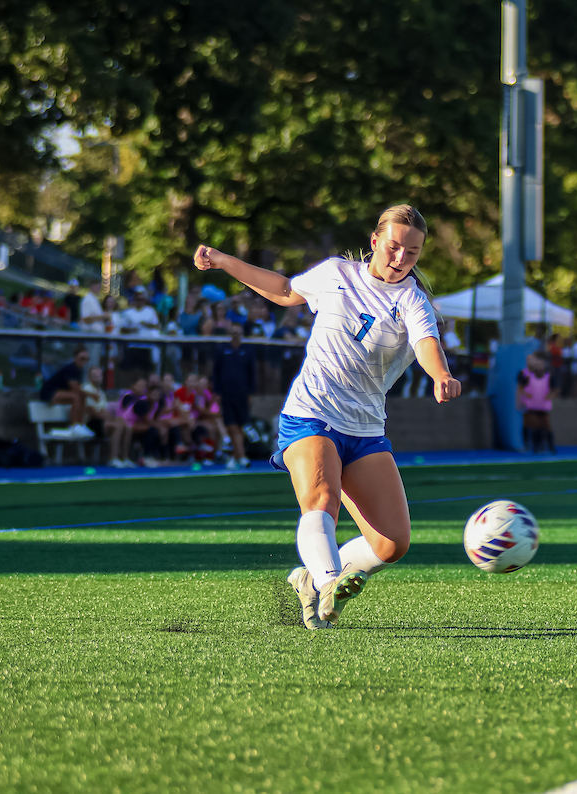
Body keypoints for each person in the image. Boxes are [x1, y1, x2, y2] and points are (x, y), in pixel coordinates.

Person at [193, 204, 461, 629]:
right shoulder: (337, 273)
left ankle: (312, 581)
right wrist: (224, 261)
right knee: (321, 500)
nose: (400, 259)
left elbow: (426, 342)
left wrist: (441, 374)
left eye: (412, 253)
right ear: (375, 241)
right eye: (393, 247)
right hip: (311, 413)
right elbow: (283, 291)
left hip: (366, 428)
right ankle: (329, 580)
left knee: (392, 544)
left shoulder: (413, 300)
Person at [211, 323, 256, 469]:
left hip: (242, 394)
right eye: (233, 331)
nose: (236, 334)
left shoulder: (247, 351)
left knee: (242, 424)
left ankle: (238, 456)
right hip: (226, 394)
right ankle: (239, 456)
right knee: (231, 425)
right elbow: (216, 372)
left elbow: (252, 374)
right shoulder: (223, 350)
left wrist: (251, 393)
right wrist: (217, 392)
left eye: (238, 331)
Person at [38, 347, 95, 438]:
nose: (84, 361)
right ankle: (74, 425)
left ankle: (80, 425)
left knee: (81, 397)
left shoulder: (79, 371)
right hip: (49, 393)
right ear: (75, 358)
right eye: (82, 358)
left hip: (58, 393)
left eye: (87, 359)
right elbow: (75, 389)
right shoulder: (71, 369)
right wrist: (92, 394)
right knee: (76, 397)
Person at [517, 351, 557, 454]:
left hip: (542, 405)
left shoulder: (545, 375)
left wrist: (549, 396)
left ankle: (547, 446)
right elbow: (520, 388)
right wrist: (521, 399)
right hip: (530, 405)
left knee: (544, 426)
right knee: (530, 425)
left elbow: (553, 389)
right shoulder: (525, 374)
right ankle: (530, 445)